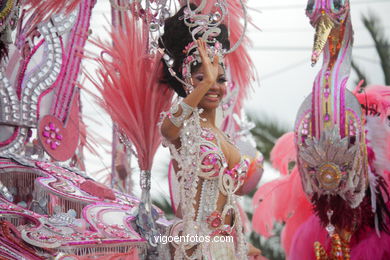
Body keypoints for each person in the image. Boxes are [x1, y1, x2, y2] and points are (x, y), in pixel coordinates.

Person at [159, 4, 261, 260]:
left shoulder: (223, 136)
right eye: (203, 78)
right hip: (194, 247)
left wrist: (243, 246)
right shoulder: (186, 129)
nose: (214, 86)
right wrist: (202, 87)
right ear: (187, 81)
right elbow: (167, 129)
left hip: (227, 249)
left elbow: (228, 198)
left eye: (220, 78)